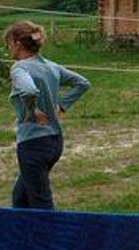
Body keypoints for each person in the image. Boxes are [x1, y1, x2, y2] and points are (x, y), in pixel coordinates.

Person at [5, 20, 90, 210]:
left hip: (33, 143)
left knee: (40, 202)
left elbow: (28, 91)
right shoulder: (52, 66)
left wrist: (32, 111)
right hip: (54, 142)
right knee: (20, 196)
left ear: (17, 43)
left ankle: (49, 237)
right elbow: (83, 83)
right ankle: (22, 233)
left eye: (8, 43)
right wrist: (63, 105)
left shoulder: (20, 68)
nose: (8, 48)